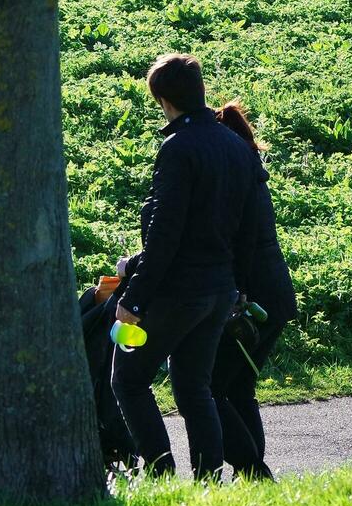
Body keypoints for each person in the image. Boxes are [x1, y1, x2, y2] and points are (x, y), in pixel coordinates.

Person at [111, 53, 261, 479]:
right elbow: (249, 229)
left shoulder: (177, 148)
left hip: (179, 290)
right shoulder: (235, 146)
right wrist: (240, 288)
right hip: (220, 290)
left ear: (162, 99)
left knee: (129, 381)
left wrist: (134, 299)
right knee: (196, 389)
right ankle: (208, 478)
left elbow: (164, 234)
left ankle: (160, 474)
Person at [210, 101, 296, 480]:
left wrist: (236, 291)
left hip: (254, 296)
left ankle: (253, 470)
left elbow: (240, 245)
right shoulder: (253, 173)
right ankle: (251, 474)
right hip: (276, 293)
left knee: (209, 388)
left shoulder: (235, 178)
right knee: (240, 387)